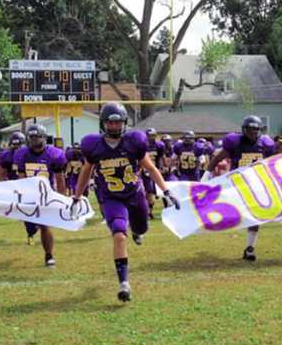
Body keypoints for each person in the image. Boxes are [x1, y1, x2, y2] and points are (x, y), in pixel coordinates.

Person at [70, 102, 179, 302]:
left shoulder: (134, 142)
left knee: (142, 227)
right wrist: (77, 196)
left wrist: (166, 191)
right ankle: (124, 283)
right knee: (119, 234)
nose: (114, 127)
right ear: (103, 124)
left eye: (118, 122)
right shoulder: (93, 145)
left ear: (124, 123)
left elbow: (151, 168)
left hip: (134, 194)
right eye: (110, 123)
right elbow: (86, 171)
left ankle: (137, 231)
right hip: (110, 197)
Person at [203, 115, 275, 261]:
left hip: (256, 184)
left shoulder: (265, 144)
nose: (253, 132)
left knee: (256, 217)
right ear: (243, 130)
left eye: (255, 129)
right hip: (236, 184)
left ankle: (250, 248)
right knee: (232, 212)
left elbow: (270, 163)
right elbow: (217, 158)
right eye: (249, 129)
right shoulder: (235, 142)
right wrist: (206, 174)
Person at [14, 124, 67, 267]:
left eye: (37, 137)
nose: (33, 140)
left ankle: (49, 255)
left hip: (46, 195)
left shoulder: (54, 154)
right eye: (31, 137)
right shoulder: (22, 154)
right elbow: (21, 178)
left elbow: (60, 179)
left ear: (43, 138)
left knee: (44, 225)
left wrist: (62, 199)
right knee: (31, 227)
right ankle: (32, 230)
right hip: (29, 195)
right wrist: (21, 199)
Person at [142, 128, 165, 218]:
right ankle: (145, 211)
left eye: (153, 136)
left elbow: (159, 158)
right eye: (150, 136)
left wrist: (161, 167)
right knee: (144, 192)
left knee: (151, 192)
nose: (151, 138)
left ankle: (148, 212)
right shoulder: (142, 145)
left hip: (152, 170)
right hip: (142, 171)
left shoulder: (159, 145)